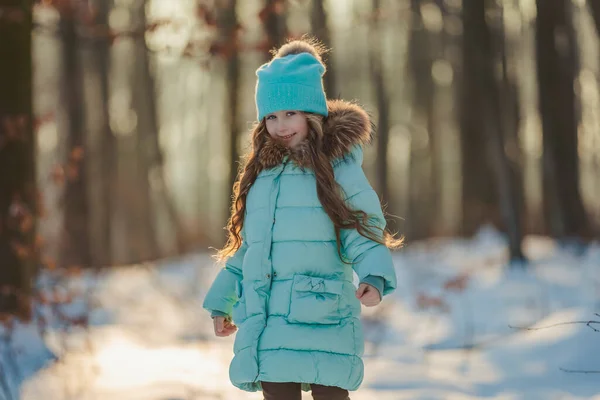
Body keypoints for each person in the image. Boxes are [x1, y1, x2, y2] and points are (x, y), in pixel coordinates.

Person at [202, 38, 403, 400]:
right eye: (272, 116)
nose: (281, 126)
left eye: (290, 113)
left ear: (312, 112)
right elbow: (250, 248)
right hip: (270, 319)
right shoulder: (262, 173)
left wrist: (374, 275)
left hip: (325, 311)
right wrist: (222, 301)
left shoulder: (337, 166)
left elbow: (361, 227)